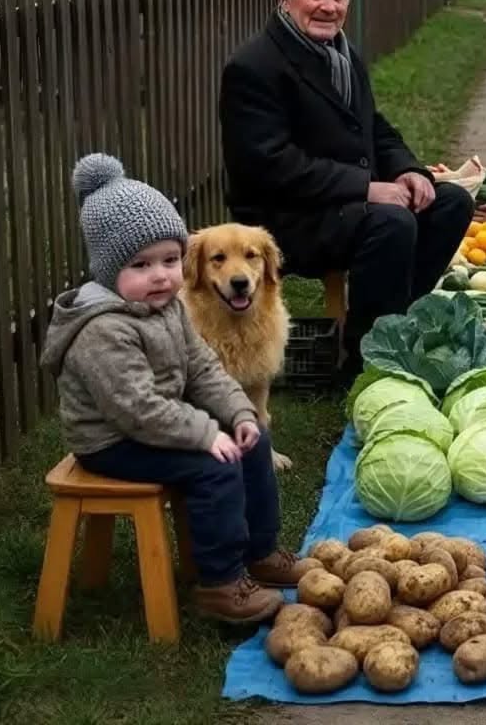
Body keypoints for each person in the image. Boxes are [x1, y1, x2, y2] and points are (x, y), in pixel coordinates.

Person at [40, 153, 295, 625]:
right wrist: (205, 434)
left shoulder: (167, 308)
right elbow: (138, 409)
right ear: (107, 269)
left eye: (170, 260)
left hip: (153, 423)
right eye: (141, 264)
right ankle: (220, 583)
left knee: (253, 438)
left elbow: (203, 370)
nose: (160, 275)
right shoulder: (103, 331)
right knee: (214, 466)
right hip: (113, 441)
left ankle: (261, 552)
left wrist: (240, 414)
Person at [219, 0, 475, 376]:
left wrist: (409, 171)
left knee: (450, 201)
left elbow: (373, 127)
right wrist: (366, 188)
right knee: (391, 222)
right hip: (287, 217)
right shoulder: (253, 68)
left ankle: (394, 326)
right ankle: (365, 362)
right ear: (285, 0)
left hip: (340, 205)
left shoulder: (343, 55)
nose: (329, 6)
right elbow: (269, 164)